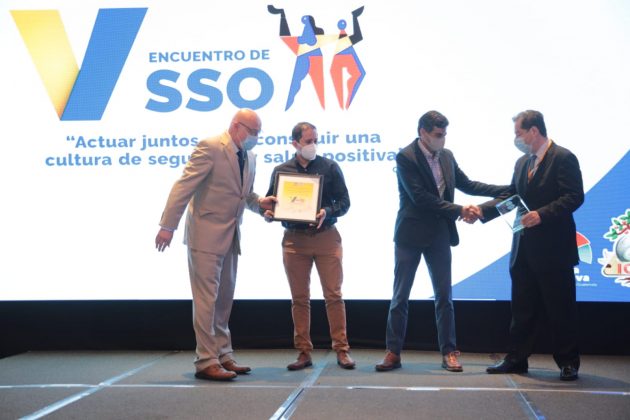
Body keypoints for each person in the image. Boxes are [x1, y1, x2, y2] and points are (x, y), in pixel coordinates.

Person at [375, 110, 507, 373]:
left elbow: (467, 184)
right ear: (423, 132)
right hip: (411, 235)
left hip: (439, 233)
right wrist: (460, 210)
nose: (442, 139)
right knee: (400, 296)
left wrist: (506, 189)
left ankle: (449, 352)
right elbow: (420, 198)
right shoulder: (406, 156)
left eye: (445, 134)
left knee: (444, 296)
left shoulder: (446, 155)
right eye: (438, 134)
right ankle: (393, 352)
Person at [155, 109, 275, 381]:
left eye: (259, 133)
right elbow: (184, 186)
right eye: (253, 132)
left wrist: (261, 205)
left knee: (223, 301)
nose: (256, 137)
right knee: (206, 301)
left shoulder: (250, 157)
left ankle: (223, 354)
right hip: (205, 236)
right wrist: (167, 226)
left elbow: (244, 195)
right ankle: (206, 360)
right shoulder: (210, 147)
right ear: (236, 126)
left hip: (231, 235)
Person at [481, 110, 584, 381]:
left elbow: (574, 196)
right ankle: (516, 359)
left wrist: (542, 214)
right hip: (523, 249)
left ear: (534, 131)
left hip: (554, 250)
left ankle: (568, 362)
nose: (516, 138)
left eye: (519, 133)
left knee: (560, 308)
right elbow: (512, 196)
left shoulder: (563, 157)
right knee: (522, 308)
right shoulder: (522, 163)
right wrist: (482, 211)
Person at [262, 121, 355, 370]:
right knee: (299, 298)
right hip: (294, 240)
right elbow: (271, 204)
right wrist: (268, 213)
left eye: (315, 140)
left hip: (326, 236)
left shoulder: (330, 167)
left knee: (333, 295)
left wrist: (327, 211)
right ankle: (303, 352)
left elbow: (345, 202)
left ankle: (342, 349)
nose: (313, 145)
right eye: (308, 141)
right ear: (295, 143)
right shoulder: (281, 171)